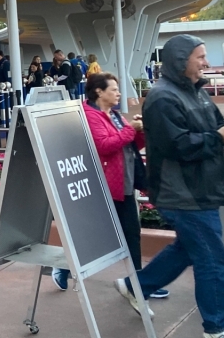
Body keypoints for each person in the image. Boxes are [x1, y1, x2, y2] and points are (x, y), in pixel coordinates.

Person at [116, 35, 224, 338]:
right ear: (181, 60)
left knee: (187, 249)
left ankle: (135, 286)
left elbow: (218, 130)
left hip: (200, 189)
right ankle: (218, 325)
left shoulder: (196, 93)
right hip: (183, 192)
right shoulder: (162, 99)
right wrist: (218, 137)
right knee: (212, 259)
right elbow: (178, 146)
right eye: (200, 56)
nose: (207, 62)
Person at [51, 72, 160, 295]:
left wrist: (139, 132)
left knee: (130, 233)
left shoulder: (115, 115)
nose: (119, 93)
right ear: (99, 92)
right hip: (104, 186)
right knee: (97, 235)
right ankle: (64, 267)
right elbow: (104, 145)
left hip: (123, 183)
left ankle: (138, 284)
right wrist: (130, 130)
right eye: (114, 89)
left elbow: (129, 145)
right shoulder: (91, 116)